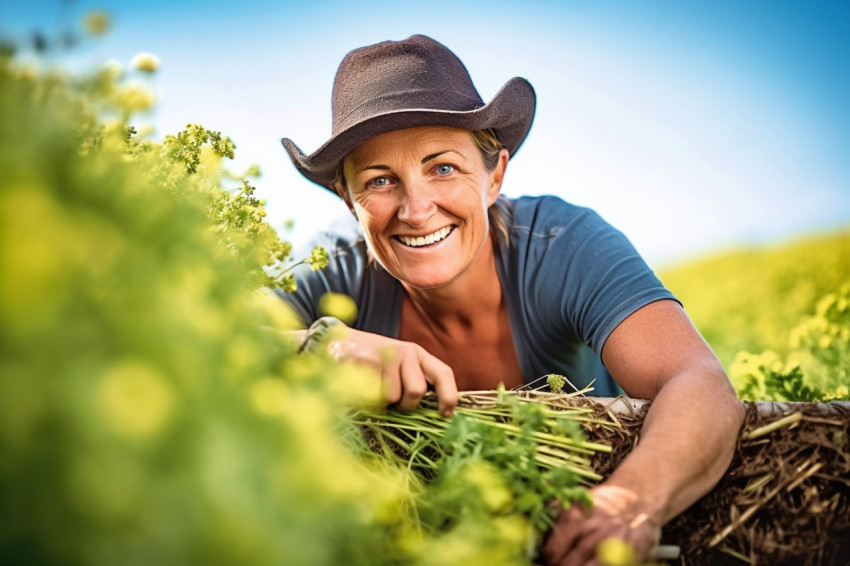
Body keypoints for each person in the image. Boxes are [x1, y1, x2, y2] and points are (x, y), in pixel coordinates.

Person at [279, 34, 744, 565]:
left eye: (443, 168)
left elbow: (700, 383)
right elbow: (204, 342)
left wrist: (628, 502)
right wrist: (322, 345)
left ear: (494, 175)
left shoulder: (563, 244)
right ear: (349, 200)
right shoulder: (330, 265)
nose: (415, 208)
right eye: (380, 181)